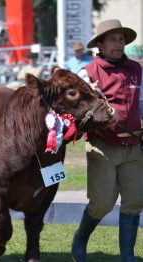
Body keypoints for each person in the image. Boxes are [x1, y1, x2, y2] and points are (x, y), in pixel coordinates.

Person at [71, 19, 143, 262]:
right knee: (101, 204)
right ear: (100, 44)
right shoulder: (87, 72)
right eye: (112, 39)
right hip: (102, 146)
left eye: (121, 39)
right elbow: (72, 108)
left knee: (134, 202)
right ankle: (80, 237)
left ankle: (127, 256)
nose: (118, 44)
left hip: (134, 146)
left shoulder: (137, 68)